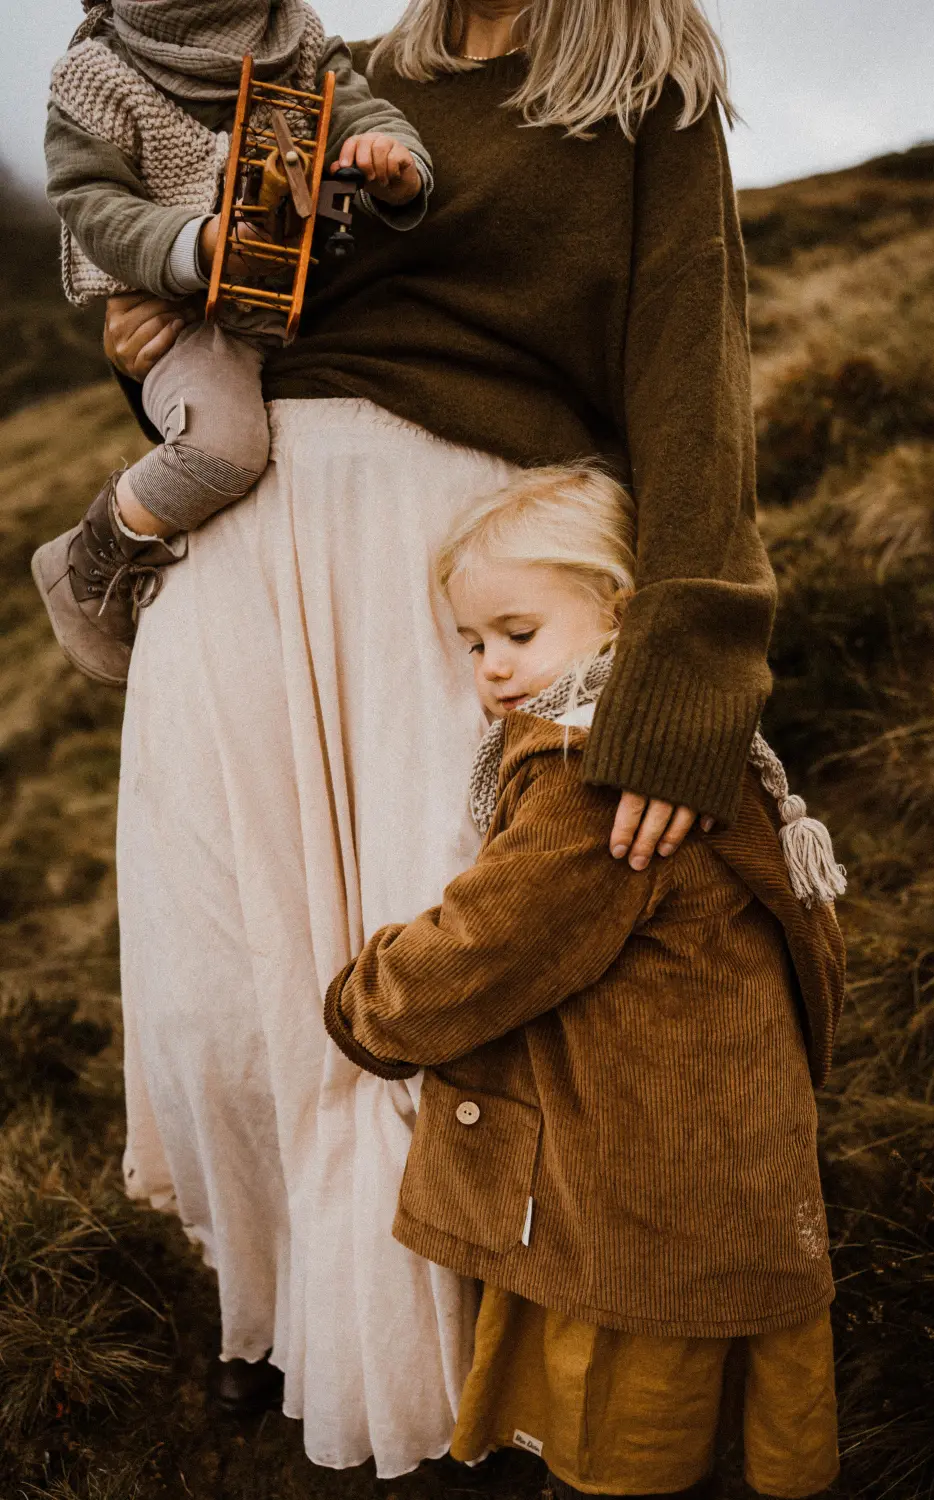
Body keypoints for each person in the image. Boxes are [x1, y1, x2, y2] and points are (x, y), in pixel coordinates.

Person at [96, 0, 783, 1475]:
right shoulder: (339, 73)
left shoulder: (642, 91)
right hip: (241, 549)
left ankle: (461, 1381)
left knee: (427, 988)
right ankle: (276, 1322)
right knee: (229, 986)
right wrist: (149, 331)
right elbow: (233, 291)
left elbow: (691, 377)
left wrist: (688, 669)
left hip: (462, 566)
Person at [325, 464, 847, 1500]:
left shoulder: (589, 780)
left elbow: (489, 949)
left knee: (629, 1402)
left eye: (518, 632)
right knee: (692, 1356)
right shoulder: (692, 742)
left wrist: (365, 1003)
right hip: (713, 1130)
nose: (492, 668)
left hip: (642, 1160)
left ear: (618, 614)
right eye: (473, 645)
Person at [32, 0, 431, 685]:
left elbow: (356, 111)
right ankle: (89, 555)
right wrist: (199, 243)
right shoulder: (96, 72)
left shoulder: (295, 36)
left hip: (301, 304)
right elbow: (91, 202)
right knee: (224, 449)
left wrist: (392, 161)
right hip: (188, 320)